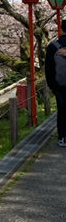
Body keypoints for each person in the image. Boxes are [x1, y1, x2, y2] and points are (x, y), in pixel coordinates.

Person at [44, 18, 66, 146]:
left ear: (61, 29)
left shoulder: (53, 46)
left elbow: (48, 68)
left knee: (62, 110)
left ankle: (62, 137)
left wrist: (52, 86)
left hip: (59, 85)